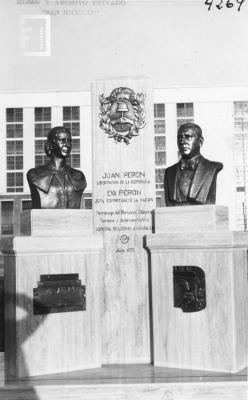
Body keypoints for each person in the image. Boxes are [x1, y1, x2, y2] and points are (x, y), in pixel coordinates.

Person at [164, 123, 223, 206]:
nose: (182, 141)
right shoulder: (169, 172)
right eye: (180, 137)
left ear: (200, 141)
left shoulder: (212, 168)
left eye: (188, 137)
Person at [27, 126, 86, 208]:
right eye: (62, 140)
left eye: (69, 141)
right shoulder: (35, 174)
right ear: (50, 145)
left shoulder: (79, 176)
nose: (67, 144)